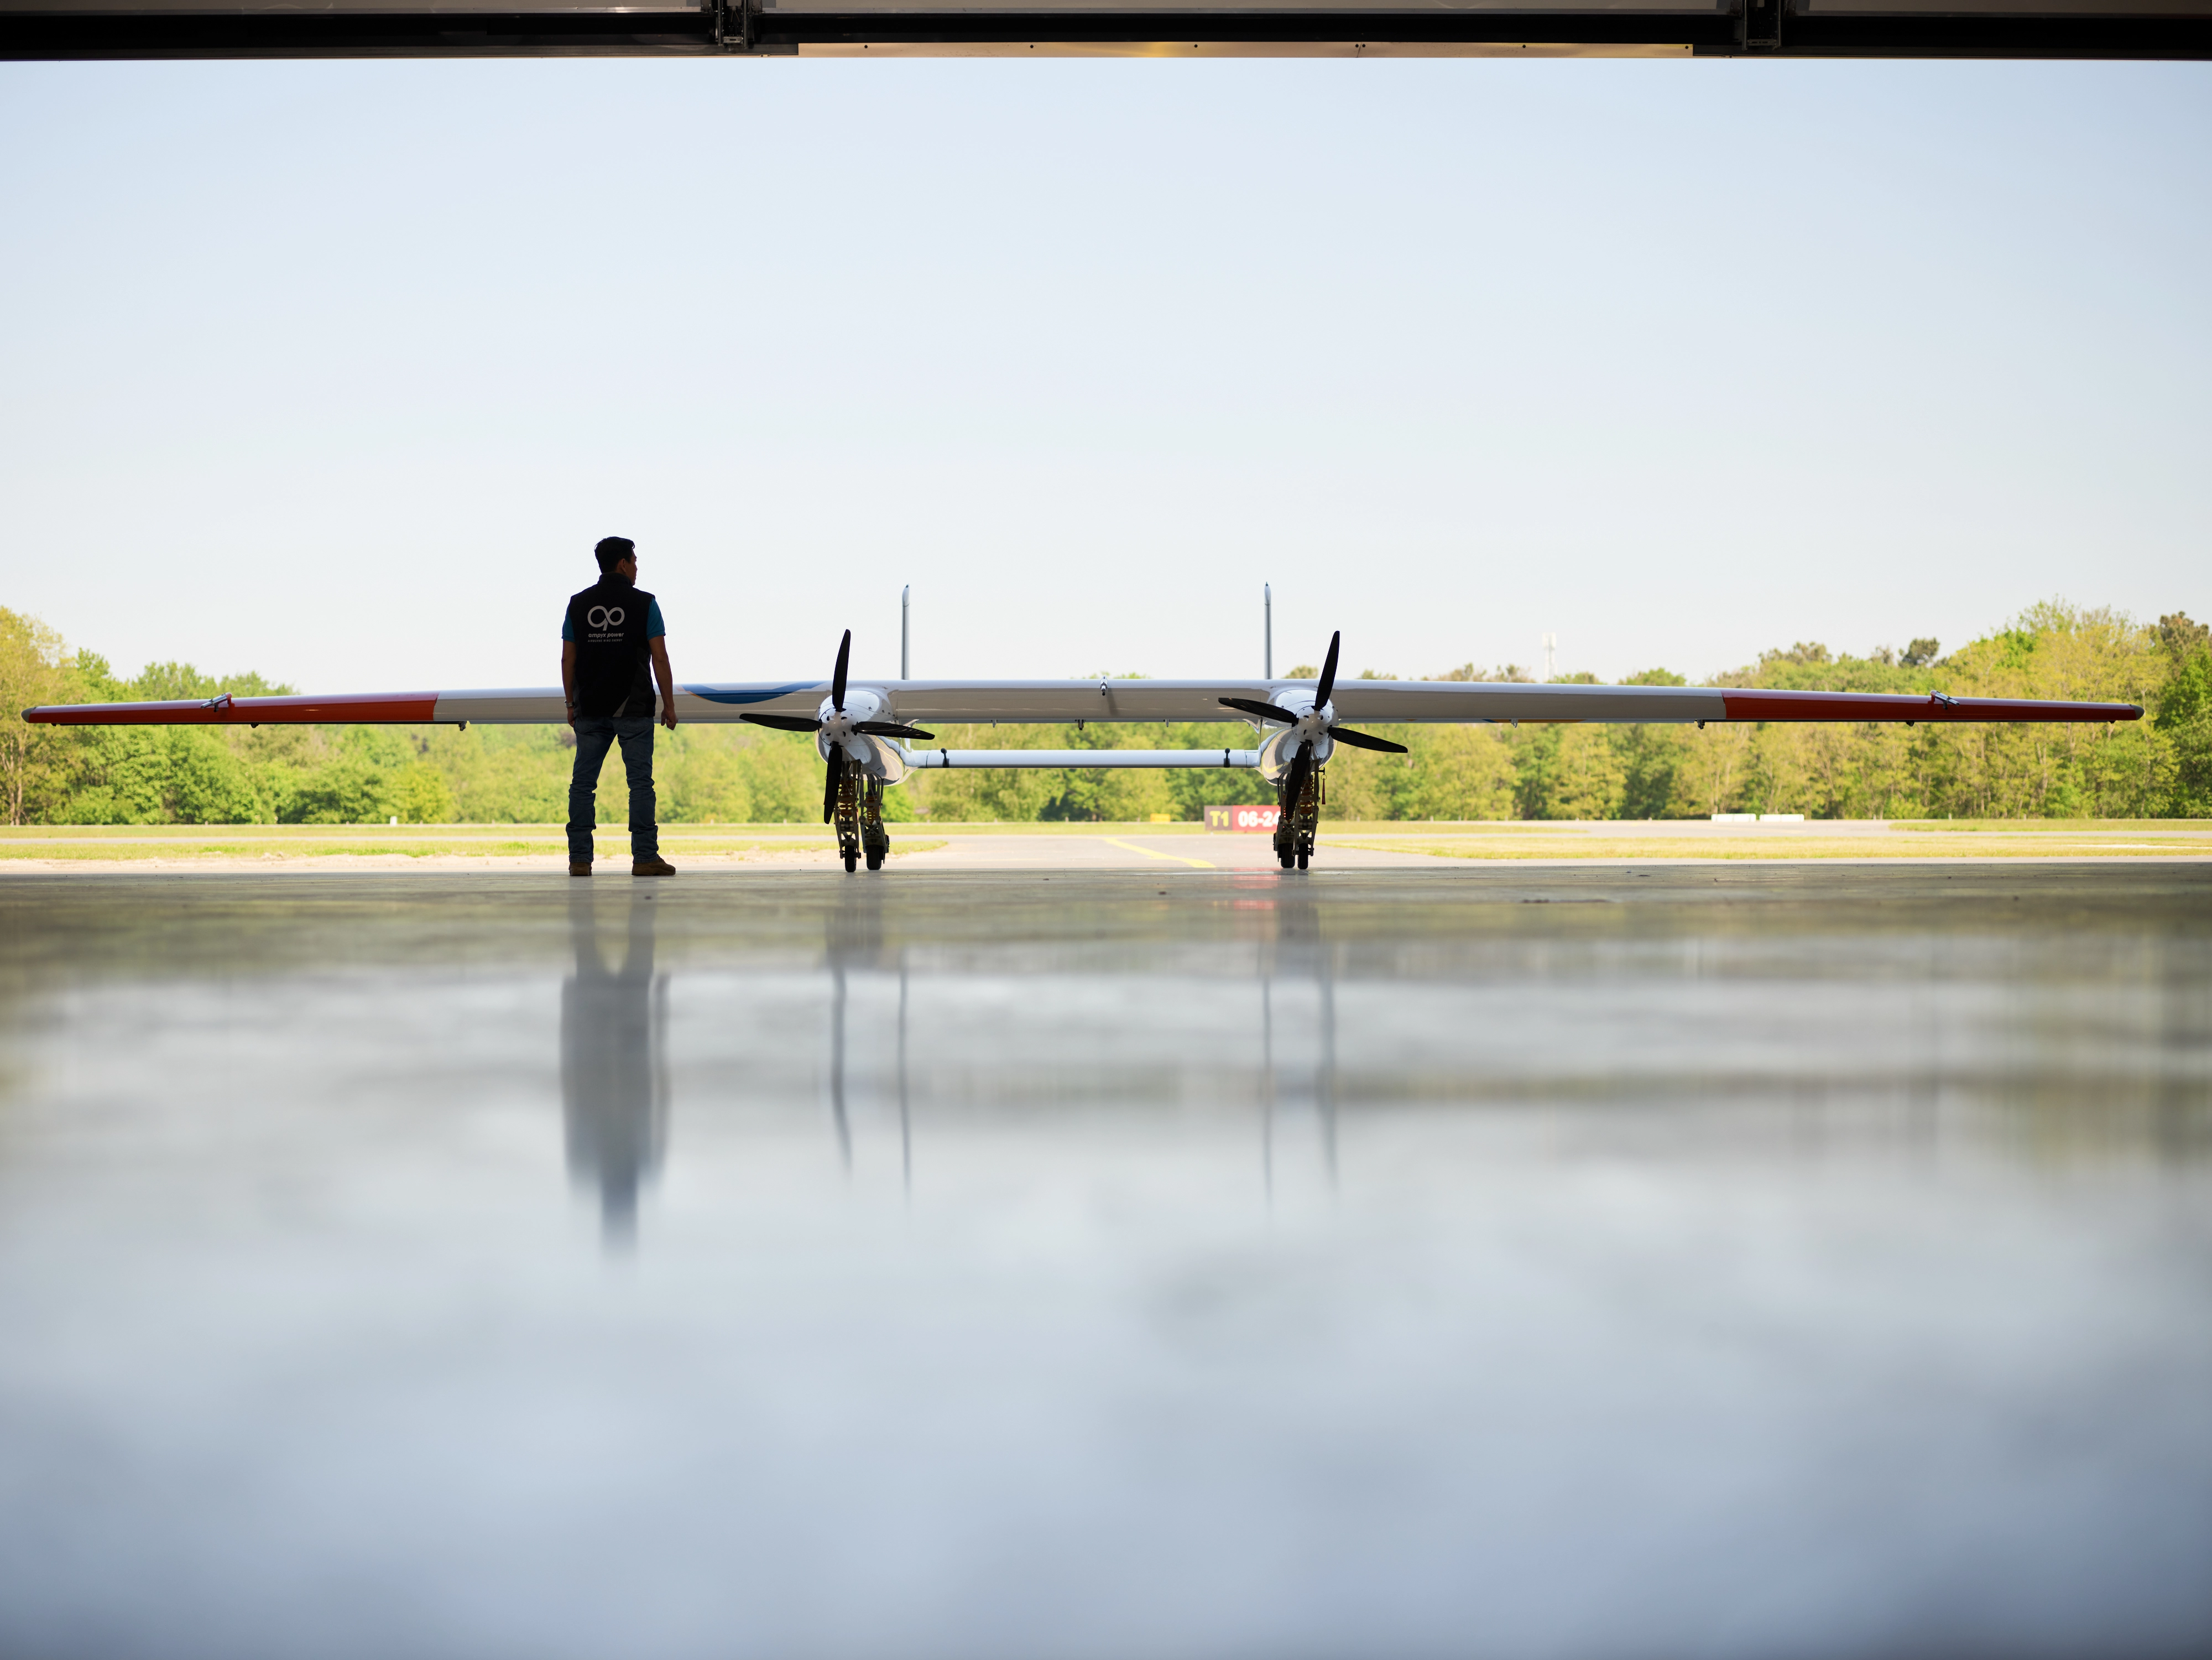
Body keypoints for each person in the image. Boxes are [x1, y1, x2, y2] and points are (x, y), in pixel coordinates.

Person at [563, 536, 678, 877]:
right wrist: (669, 706)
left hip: (590, 707)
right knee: (640, 784)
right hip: (634, 708)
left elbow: (569, 658)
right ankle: (645, 858)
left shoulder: (577, 604)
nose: (637, 567)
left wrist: (571, 703)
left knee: (583, 784)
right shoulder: (645, 603)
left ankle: (579, 860)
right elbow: (660, 657)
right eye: (635, 560)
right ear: (624, 564)